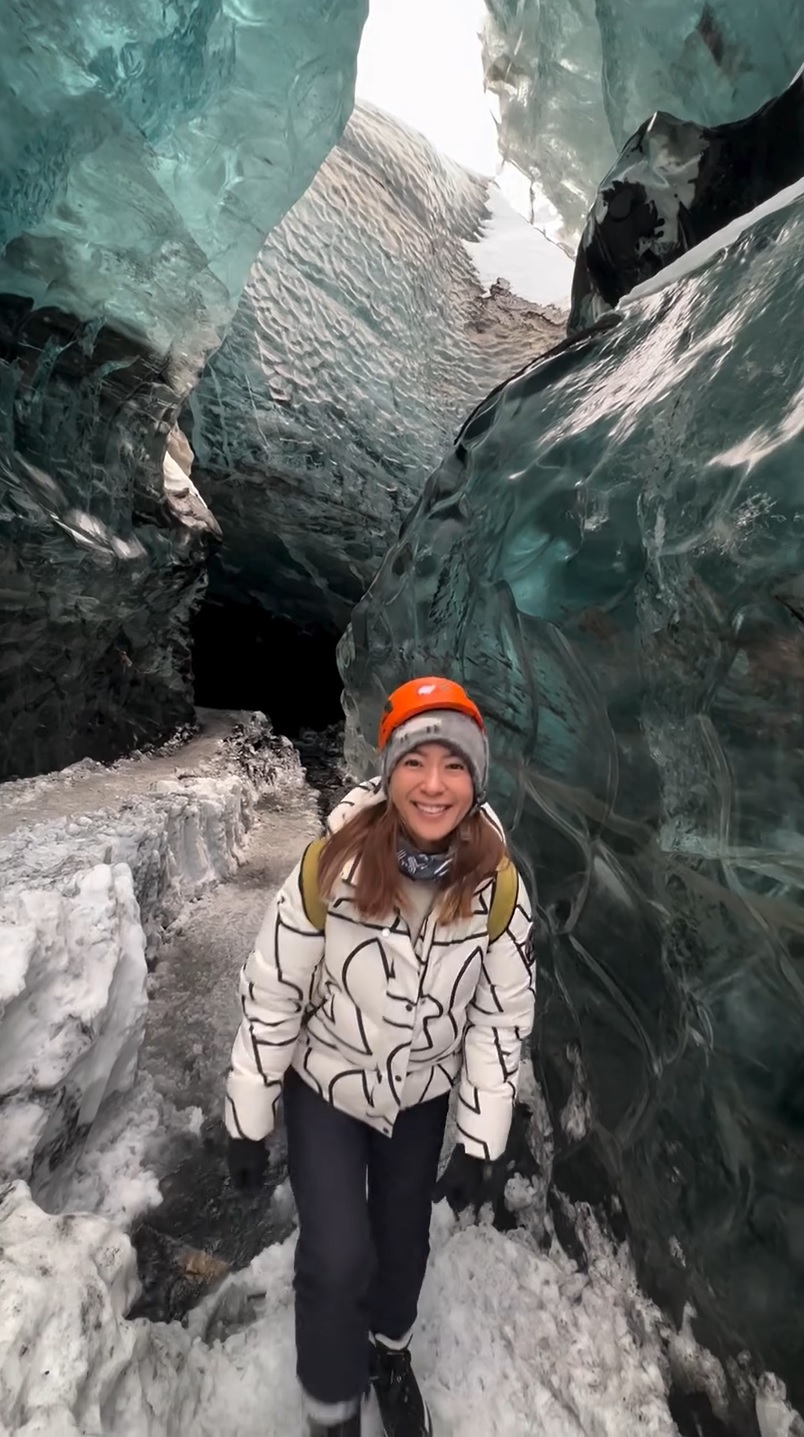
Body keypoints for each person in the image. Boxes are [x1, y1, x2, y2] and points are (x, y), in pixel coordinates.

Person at [224, 676, 535, 1437]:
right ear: (388, 770)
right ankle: (332, 1410)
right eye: (416, 761)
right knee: (336, 1256)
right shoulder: (329, 867)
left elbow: (501, 1014)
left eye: (454, 764)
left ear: (477, 775)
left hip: (420, 1095)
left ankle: (389, 1352)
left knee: (402, 1248)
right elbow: (273, 991)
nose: (435, 784)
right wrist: (248, 1116)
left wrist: (481, 1138)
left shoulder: (497, 885)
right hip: (325, 1085)